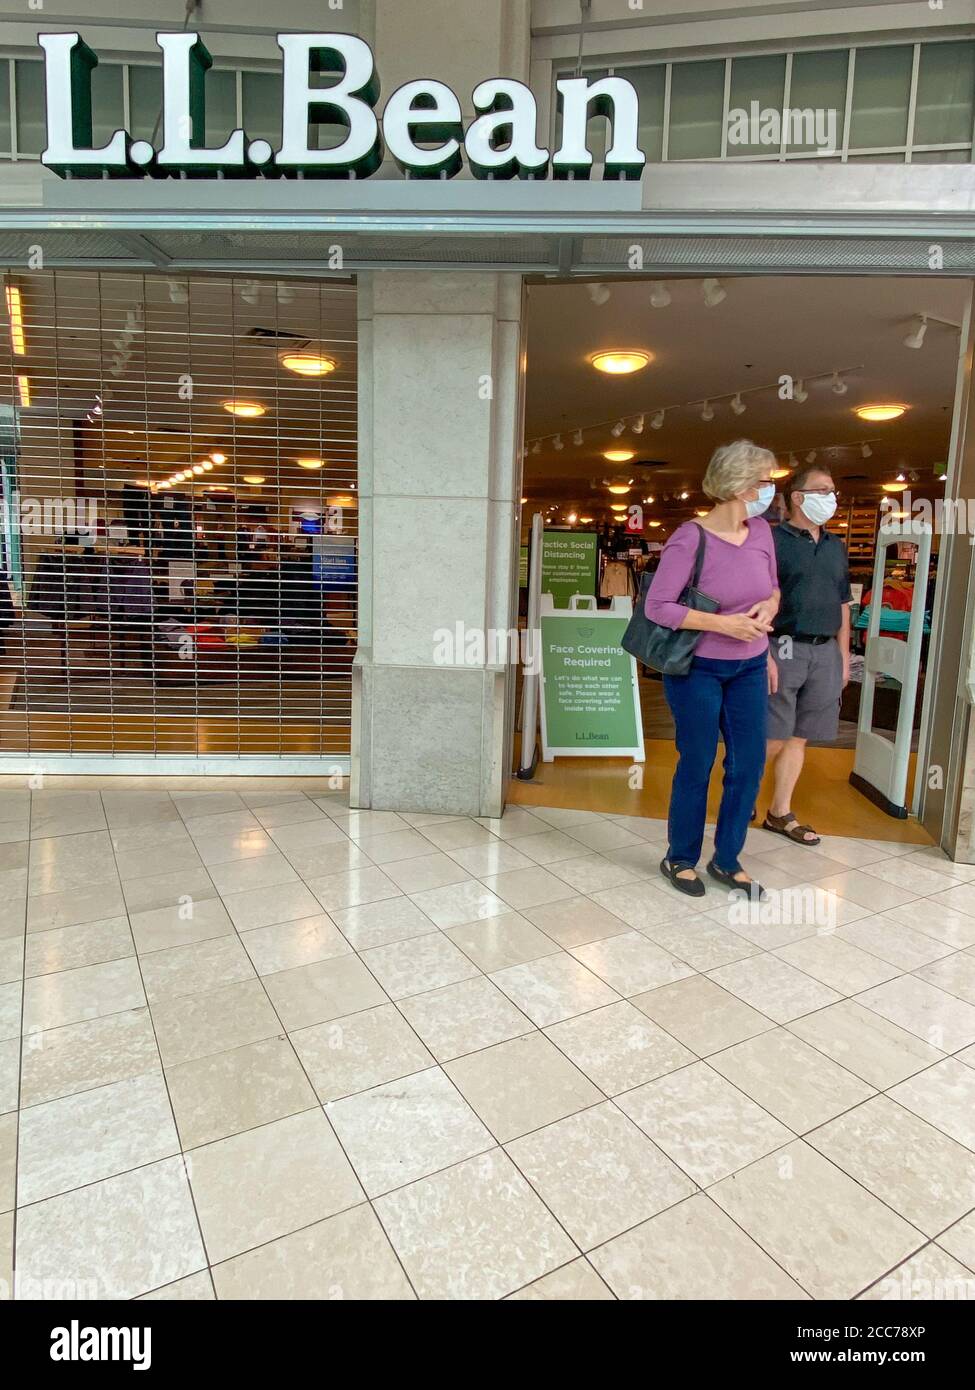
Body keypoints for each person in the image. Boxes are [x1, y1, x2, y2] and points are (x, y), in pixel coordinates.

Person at [646, 440, 780, 899]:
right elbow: (659, 606)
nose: (771, 490)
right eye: (766, 481)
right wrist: (723, 624)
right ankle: (680, 856)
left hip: (749, 665)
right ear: (740, 485)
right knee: (698, 760)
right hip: (697, 668)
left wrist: (767, 610)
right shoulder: (691, 537)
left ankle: (727, 859)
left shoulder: (761, 532)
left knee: (748, 764)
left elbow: (774, 589)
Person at [762, 465, 851, 846]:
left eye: (833, 490)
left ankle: (780, 813)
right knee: (772, 736)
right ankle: (741, 798)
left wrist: (844, 656)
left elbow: (844, 603)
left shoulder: (835, 546)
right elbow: (757, 599)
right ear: (797, 497)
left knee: (800, 736)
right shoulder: (770, 541)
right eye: (822, 490)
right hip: (782, 645)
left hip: (824, 650)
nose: (831, 498)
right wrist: (761, 652)